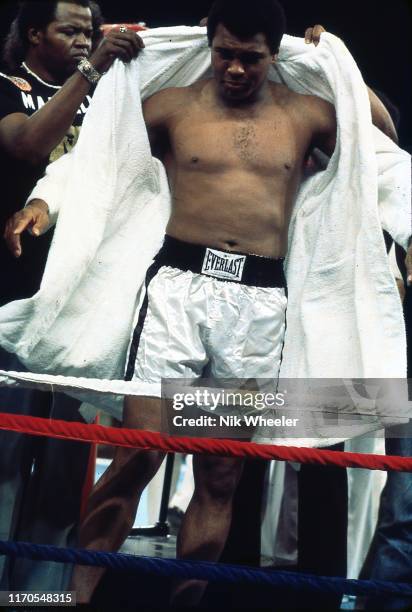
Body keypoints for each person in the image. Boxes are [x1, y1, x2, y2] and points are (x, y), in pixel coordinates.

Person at [4, 1, 410, 605]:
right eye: (225, 54)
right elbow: (99, 158)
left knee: (219, 473)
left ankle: (186, 602)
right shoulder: (172, 106)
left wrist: (338, 63)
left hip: (257, 305)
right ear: (209, 43)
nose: (237, 69)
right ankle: (73, 600)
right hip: (176, 295)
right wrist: (45, 203)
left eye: (251, 57)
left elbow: (382, 135)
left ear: (275, 54)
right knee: (137, 459)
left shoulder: (306, 113)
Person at [0, 0, 142, 590]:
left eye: (90, 31)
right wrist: (94, 68)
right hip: (12, 301)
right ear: (35, 34)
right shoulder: (7, 87)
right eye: (71, 30)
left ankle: (35, 600)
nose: (85, 41)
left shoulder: (108, 97)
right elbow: (29, 148)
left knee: (64, 476)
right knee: (4, 467)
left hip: (82, 305)